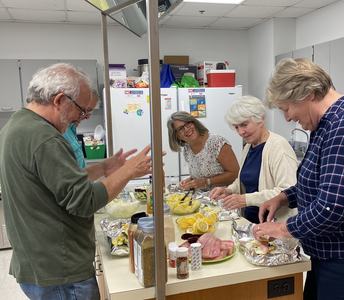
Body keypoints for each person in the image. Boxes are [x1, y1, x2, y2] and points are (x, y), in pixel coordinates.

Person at [0, 63, 152, 300]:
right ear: (60, 100)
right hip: (61, 271)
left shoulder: (19, 126)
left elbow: (56, 183)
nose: (83, 118)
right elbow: (84, 200)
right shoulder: (45, 138)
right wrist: (128, 172)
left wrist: (103, 168)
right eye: (83, 111)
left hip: (40, 263)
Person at [254, 58, 344, 300]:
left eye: (286, 108)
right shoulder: (327, 124)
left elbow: (332, 207)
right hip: (334, 255)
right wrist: (283, 197)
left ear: (308, 94)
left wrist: (282, 228)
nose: (287, 118)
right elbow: (323, 182)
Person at [209, 95, 298, 224]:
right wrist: (228, 190)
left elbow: (288, 191)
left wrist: (246, 199)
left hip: (275, 225)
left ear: (260, 119)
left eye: (244, 125)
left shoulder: (278, 146)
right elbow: (244, 181)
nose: (241, 132)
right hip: (251, 222)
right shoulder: (248, 147)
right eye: (236, 127)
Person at [167, 111, 239, 191]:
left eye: (188, 123)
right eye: (180, 129)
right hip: (203, 200)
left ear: (194, 123)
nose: (186, 129)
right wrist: (191, 181)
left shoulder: (217, 143)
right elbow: (201, 174)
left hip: (224, 198)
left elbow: (235, 174)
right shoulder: (187, 149)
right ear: (176, 136)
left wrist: (206, 182)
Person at [63, 89, 98, 169]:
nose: (87, 116)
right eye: (84, 110)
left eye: (89, 111)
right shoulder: (58, 132)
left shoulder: (70, 128)